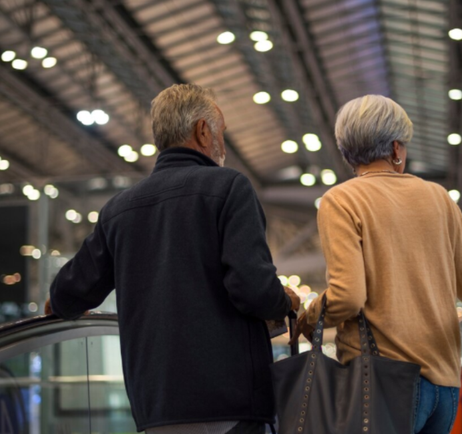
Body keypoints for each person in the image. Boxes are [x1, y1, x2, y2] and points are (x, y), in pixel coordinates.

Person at [47, 84, 299, 434]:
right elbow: (253, 288)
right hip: (230, 404)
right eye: (221, 133)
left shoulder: (119, 209)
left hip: (155, 410)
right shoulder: (229, 188)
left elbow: (68, 293)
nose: (223, 146)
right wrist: (284, 299)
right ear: (202, 130)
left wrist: (57, 303)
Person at [290, 95, 462, 434]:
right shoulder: (439, 197)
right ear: (397, 149)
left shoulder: (341, 200)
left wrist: (310, 316)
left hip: (382, 385)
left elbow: (348, 296)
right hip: (445, 386)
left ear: (348, 152)